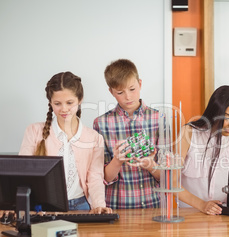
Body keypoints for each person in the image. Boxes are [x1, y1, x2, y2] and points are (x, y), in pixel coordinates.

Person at [19, 72, 112, 214]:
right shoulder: (34, 131)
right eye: (57, 103)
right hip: (43, 207)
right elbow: (23, 173)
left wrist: (98, 204)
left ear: (80, 99)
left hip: (81, 206)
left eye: (69, 103)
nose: (63, 109)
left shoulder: (94, 138)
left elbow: (95, 177)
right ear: (50, 102)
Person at [93, 59, 160, 209]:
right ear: (111, 91)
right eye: (120, 92)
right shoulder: (101, 123)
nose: (128, 97)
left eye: (132, 89)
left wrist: (151, 165)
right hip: (117, 206)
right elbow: (101, 177)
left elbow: (168, 177)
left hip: (153, 206)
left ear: (140, 84)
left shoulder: (158, 119)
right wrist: (117, 160)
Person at [178, 85, 229, 215]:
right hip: (189, 217)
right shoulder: (189, 133)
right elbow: (171, 181)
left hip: (223, 218)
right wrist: (202, 205)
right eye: (227, 117)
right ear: (215, 112)